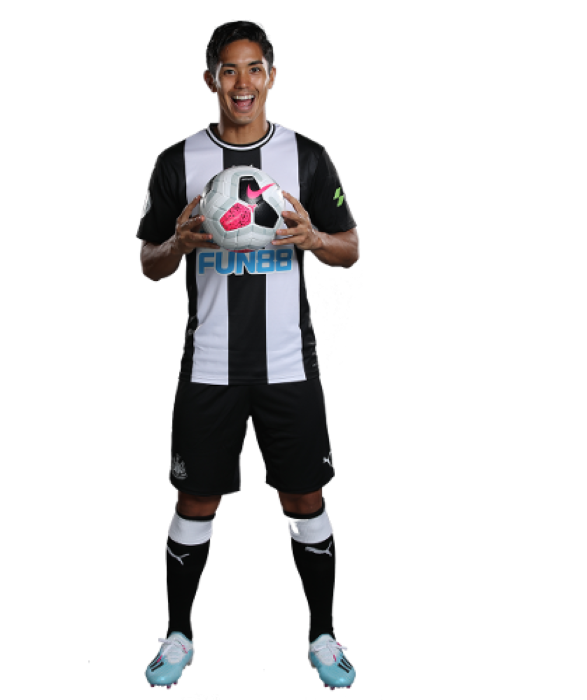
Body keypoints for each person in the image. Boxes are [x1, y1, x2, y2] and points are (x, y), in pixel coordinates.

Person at [137, 20, 359, 691]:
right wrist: (178, 245)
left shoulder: (307, 156)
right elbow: (148, 263)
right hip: (209, 364)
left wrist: (312, 238)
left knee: (305, 495)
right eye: (228, 70)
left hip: (289, 363)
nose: (241, 83)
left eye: (253, 68)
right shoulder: (178, 161)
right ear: (209, 79)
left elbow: (350, 248)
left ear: (272, 77)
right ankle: (179, 636)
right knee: (195, 498)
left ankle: (323, 636)